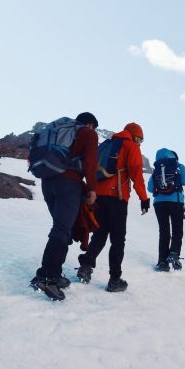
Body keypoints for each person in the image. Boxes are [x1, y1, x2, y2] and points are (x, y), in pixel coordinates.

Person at [31, 112, 99, 301]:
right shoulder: (88, 133)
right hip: (68, 183)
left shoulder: (60, 131)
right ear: (91, 124)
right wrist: (92, 189)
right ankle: (47, 277)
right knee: (62, 229)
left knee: (62, 229)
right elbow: (90, 162)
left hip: (48, 183)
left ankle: (52, 272)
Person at [76, 123, 150, 292]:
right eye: (140, 139)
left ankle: (86, 267)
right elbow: (136, 174)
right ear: (135, 136)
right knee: (118, 239)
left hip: (98, 196)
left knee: (100, 234)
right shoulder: (130, 146)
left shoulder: (106, 144)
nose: (139, 143)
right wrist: (144, 198)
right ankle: (114, 279)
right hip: (117, 197)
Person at [148, 148, 185, 271]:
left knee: (164, 232)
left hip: (159, 203)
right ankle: (174, 254)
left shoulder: (156, 169)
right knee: (177, 230)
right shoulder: (178, 166)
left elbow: (150, 188)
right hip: (176, 201)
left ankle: (162, 262)